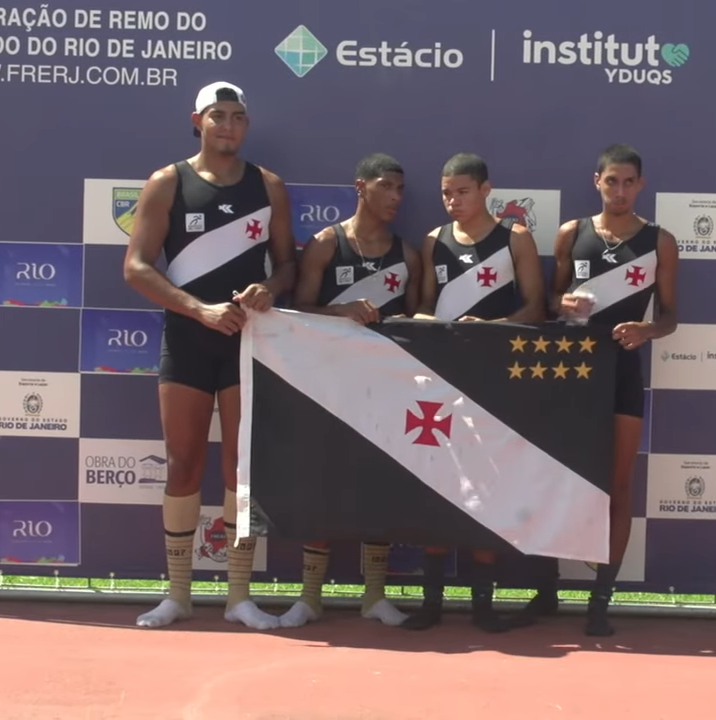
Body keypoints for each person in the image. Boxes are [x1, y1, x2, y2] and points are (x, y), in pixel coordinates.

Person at [122, 81, 298, 630]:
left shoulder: (268, 185)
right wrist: (198, 309)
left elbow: (288, 265)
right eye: (218, 115)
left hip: (247, 340)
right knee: (184, 464)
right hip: (188, 338)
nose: (228, 125)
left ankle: (238, 597)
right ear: (197, 120)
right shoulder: (168, 182)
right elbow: (136, 267)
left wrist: (270, 289)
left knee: (240, 468)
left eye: (238, 116)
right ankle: (178, 594)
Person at [532, 143, 679, 636]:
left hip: (622, 371)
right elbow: (549, 300)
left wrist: (646, 330)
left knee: (617, 485)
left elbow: (670, 316)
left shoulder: (660, 241)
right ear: (597, 181)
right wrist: (563, 304)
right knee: (555, 478)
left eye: (628, 182)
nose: (619, 191)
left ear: (641, 185)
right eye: (611, 181)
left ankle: (600, 603)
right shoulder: (572, 233)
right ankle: (546, 591)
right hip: (569, 372)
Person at [402, 152, 546, 633]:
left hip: (493, 377)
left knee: (487, 484)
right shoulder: (433, 241)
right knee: (437, 485)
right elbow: (422, 308)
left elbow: (535, 309)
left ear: (486, 190)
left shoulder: (514, 238)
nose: (453, 201)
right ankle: (431, 604)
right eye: (446, 193)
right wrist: (432, 325)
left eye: (463, 192)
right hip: (440, 379)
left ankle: (483, 607)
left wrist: (489, 328)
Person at [279, 152, 421, 629]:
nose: (396, 197)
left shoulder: (408, 255)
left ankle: (374, 595)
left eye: (400, 189)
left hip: (386, 387)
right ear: (361, 187)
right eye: (386, 186)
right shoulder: (325, 244)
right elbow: (297, 310)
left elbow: (420, 325)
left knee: (380, 485)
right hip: (328, 384)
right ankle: (309, 597)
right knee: (322, 484)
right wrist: (340, 311)